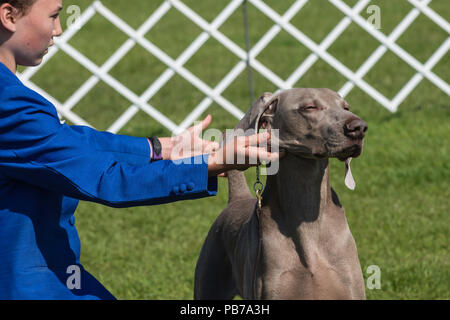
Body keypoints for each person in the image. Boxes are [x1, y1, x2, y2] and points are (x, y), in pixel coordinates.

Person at [0, 0, 280, 299]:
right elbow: (108, 180)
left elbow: (67, 142)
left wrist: (161, 149)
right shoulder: (11, 105)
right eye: (53, 15)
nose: (58, 28)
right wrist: (209, 163)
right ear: (8, 16)